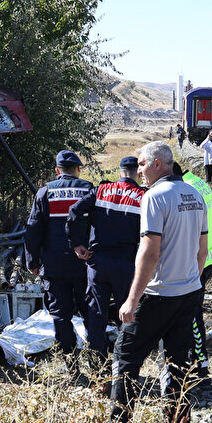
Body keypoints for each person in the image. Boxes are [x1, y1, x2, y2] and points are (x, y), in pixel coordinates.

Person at [112, 141, 207, 423]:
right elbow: (202, 251)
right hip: (188, 293)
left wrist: (132, 299)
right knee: (179, 363)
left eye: (141, 164)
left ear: (157, 164)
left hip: (158, 295)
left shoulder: (155, 196)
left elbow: (150, 252)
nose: (138, 171)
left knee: (126, 356)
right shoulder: (194, 194)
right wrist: (190, 281)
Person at [65, 155, 145, 379]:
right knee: (126, 315)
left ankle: (97, 367)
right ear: (137, 173)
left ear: (119, 172)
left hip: (97, 262)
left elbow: (74, 213)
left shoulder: (101, 191)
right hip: (127, 265)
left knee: (96, 315)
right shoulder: (143, 196)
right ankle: (124, 365)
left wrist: (77, 244)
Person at [24, 150, 95, 377]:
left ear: (57, 171)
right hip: (85, 264)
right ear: (78, 169)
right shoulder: (89, 189)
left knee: (60, 316)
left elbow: (33, 230)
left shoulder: (45, 192)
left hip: (53, 265)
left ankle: (71, 366)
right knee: (91, 313)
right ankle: (97, 364)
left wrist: (32, 260)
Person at [178, 162, 212, 381]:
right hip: (208, 256)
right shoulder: (198, 182)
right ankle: (197, 362)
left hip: (197, 261)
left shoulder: (186, 190)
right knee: (193, 313)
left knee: (192, 315)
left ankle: (200, 365)